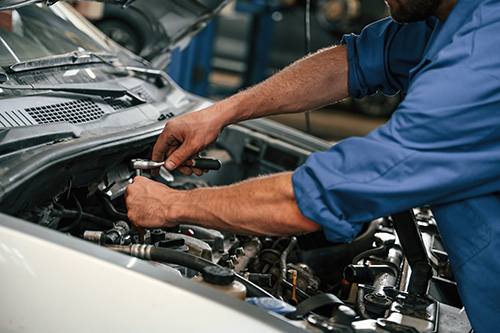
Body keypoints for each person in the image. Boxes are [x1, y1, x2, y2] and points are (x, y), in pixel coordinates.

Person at [125, 0, 500, 331]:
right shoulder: (447, 21)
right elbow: (355, 61)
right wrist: (221, 112)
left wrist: (169, 205)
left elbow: (322, 196)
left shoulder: (483, 58)